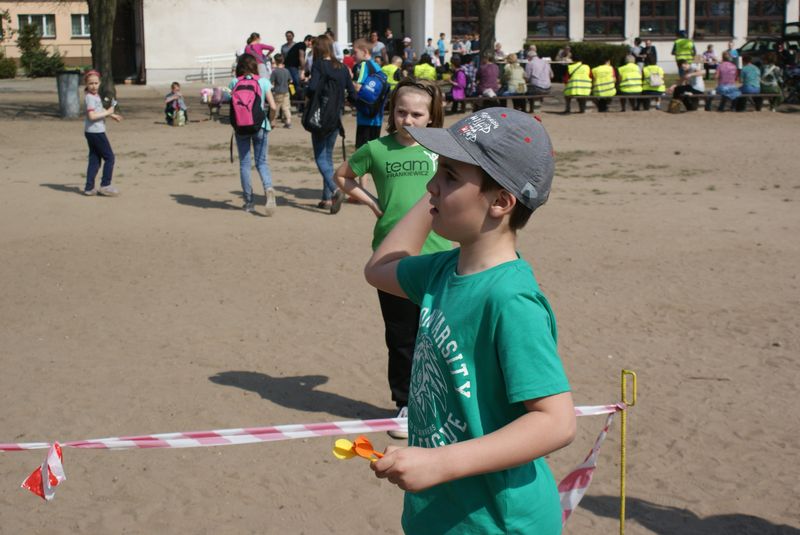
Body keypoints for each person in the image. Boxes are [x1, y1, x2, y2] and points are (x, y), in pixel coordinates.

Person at [363, 107, 575, 534]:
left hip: (496, 521)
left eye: (450, 176)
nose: (431, 185)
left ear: (500, 202)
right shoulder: (442, 270)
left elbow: (557, 421)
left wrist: (441, 463)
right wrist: (436, 197)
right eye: (437, 171)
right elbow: (379, 269)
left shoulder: (510, 299)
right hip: (439, 513)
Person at [333, 79, 450, 436]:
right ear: (391, 112)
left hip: (442, 254)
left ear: (431, 116)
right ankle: (406, 404)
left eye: (417, 114)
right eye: (401, 112)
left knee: (441, 334)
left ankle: (445, 401)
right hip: (392, 257)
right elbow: (343, 176)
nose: (408, 120)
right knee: (402, 336)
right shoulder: (376, 149)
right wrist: (372, 202)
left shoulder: (444, 149)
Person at [306, 34, 356, 211]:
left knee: (320, 157)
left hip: (320, 115)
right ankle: (327, 198)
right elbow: (352, 92)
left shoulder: (319, 65)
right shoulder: (342, 67)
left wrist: (307, 89)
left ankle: (335, 190)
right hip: (336, 116)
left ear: (317, 49)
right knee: (327, 156)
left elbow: (313, 88)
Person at [229, 54, 277, 215]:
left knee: (244, 163)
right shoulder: (263, 82)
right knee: (262, 162)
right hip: (260, 125)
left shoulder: (235, 82)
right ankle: (268, 188)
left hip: (241, 127)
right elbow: (273, 106)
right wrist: (271, 120)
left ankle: (249, 202)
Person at [82, 70, 122, 196]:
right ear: (86, 84)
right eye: (91, 83)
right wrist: (108, 112)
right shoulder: (90, 98)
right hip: (96, 132)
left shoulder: (95, 96)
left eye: (96, 83)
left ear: (99, 83)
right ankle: (105, 185)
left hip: (92, 132)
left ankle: (89, 188)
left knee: (94, 159)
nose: (94, 86)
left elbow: (100, 109)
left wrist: (112, 115)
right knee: (109, 157)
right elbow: (92, 116)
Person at [351, 38, 386, 150]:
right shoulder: (377, 66)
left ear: (365, 51)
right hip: (377, 117)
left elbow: (358, 87)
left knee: (362, 151)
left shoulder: (364, 65)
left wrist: (350, 84)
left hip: (365, 117)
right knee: (372, 151)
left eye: (355, 52)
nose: (353, 56)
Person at [270, 54, 292, 128]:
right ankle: (288, 121)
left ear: (275, 61)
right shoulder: (287, 71)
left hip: (278, 92)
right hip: (286, 91)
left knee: (276, 107)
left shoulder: (275, 72)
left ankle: (273, 122)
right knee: (286, 107)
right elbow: (290, 80)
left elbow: (271, 82)